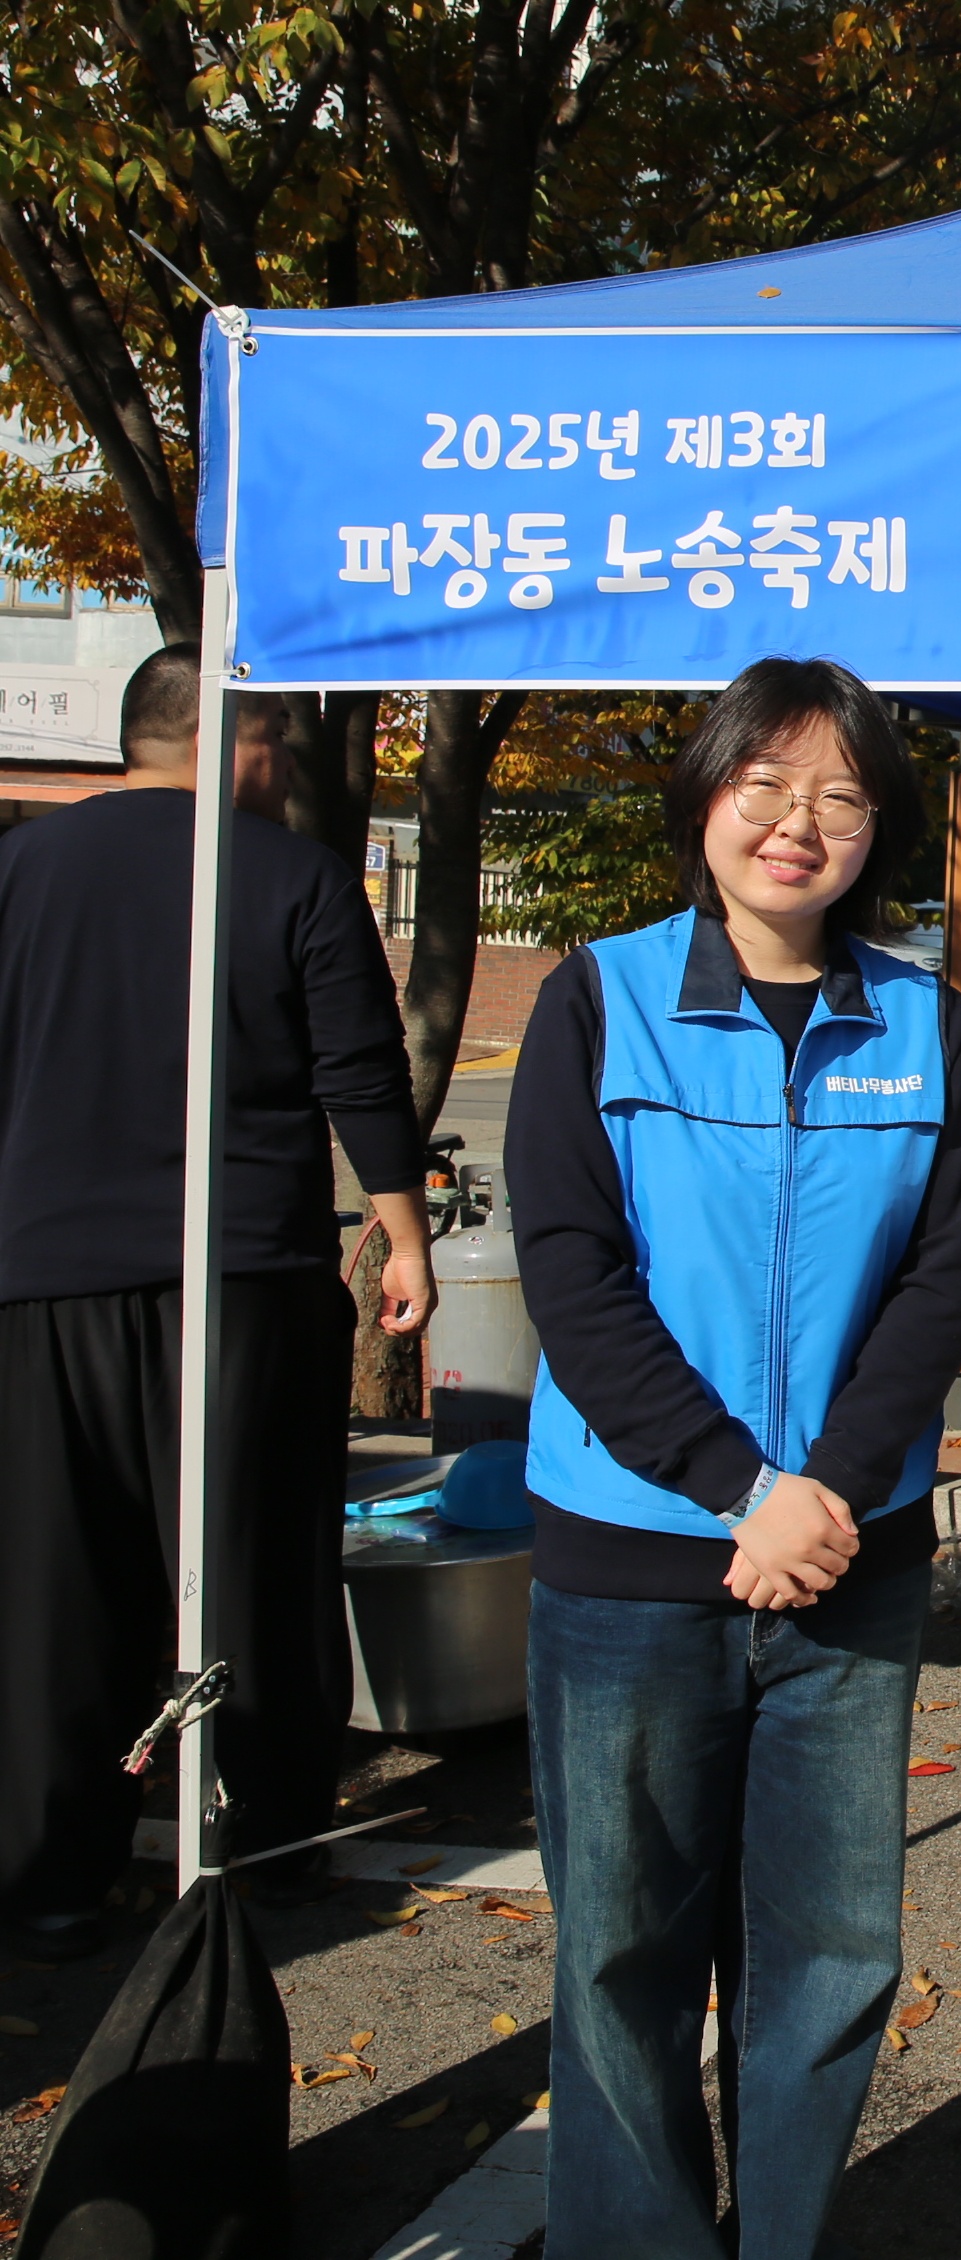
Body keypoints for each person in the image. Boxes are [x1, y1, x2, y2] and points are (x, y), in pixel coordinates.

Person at [506, 658, 961, 2259]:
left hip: (850, 1563)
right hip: (634, 1561)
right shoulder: (600, 997)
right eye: (764, 785)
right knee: (621, 1958)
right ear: (705, 797)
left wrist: (824, 1490)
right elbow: (572, 1279)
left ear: (879, 828)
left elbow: (944, 1281)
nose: (797, 824)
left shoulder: (928, 1020)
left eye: (839, 796)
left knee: (830, 1963)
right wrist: (740, 1487)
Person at [0, 649, 429, 1959]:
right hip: (242, 1278)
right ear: (238, 743)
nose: (285, 773)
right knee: (255, 1563)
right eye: (278, 749)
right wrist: (402, 1233)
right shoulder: (293, 875)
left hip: (44, 1281)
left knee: (58, 1578)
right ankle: (279, 1834)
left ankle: (53, 1873)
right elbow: (359, 1067)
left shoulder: (20, 868)